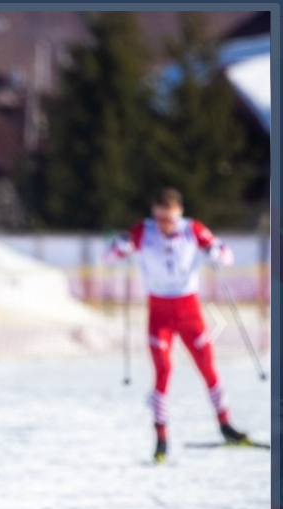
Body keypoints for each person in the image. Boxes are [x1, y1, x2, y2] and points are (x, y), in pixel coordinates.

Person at [104, 187, 250, 463]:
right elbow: (108, 257)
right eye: (160, 219)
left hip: (188, 309)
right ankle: (160, 438)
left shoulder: (192, 229)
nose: (165, 226)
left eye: (169, 219)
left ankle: (226, 425)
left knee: (207, 364)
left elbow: (227, 255)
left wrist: (218, 251)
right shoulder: (142, 232)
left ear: (179, 214)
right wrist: (119, 247)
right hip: (159, 311)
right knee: (163, 370)